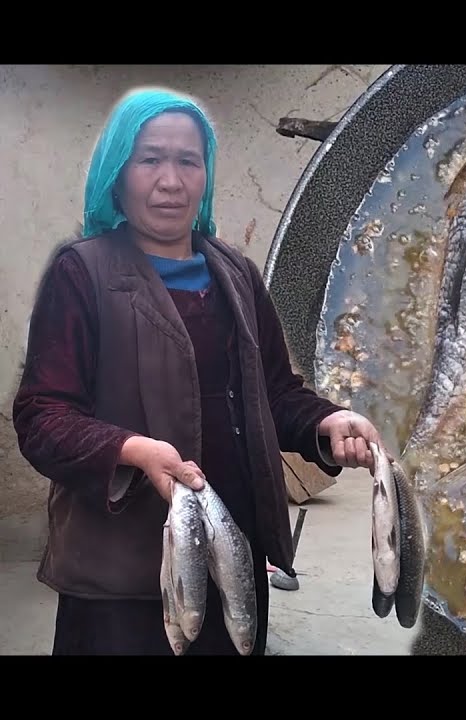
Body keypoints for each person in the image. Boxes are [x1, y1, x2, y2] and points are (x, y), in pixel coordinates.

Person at [11, 86, 384, 656]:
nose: (171, 180)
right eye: (150, 159)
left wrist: (326, 423)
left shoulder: (234, 271)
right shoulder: (82, 272)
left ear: (205, 173)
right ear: (119, 171)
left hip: (232, 556)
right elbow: (42, 417)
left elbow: (275, 392)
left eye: (188, 161)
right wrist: (132, 449)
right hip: (123, 577)